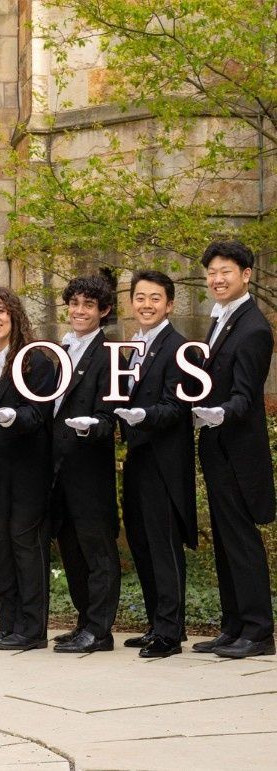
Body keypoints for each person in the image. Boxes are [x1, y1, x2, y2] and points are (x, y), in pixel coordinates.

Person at [191, 240, 275, 659]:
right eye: (212, 272)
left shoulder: (255, 328)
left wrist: (213, 414)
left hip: (239, 452)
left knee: (241, 541)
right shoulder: (222, 319)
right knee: (225, 540)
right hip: (218, 448)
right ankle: (233, 626)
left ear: (246, 275)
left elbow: (245, 397)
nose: (217, 278)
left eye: (226, 271)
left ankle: (259, 631)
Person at [0, 286, 54, 652]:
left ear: (14, 315)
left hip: (29, 467)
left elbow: (40, 414)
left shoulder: (37, 362)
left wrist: (13, 417)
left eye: (0, 311)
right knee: (2, 543)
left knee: (26, 543)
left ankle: (32, 628)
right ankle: (8, 623)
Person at [115, 270, 195, 658]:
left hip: (164, 461)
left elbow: (177, 407)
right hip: (138, 459)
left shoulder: (178, 348)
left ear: (170, 304)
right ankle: (154, 622)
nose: (146, 305)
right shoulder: (133, 347)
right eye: (140, 297)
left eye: (155, 298)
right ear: (131, 302)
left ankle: (171, 631)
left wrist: (142, 416)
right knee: (142, 542)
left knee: (163, 545)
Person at [49, 276, 120, 654]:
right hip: (57, 465)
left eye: (88, 305)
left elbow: (111, 417)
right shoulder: (59, 347)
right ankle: (83, 621)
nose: (79, 311)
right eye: (74, 303)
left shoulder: (109, 354)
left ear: (103, 311)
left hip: (89, 467)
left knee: (97, 549)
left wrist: (92, 427)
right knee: (70, 547)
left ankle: (100, 630)